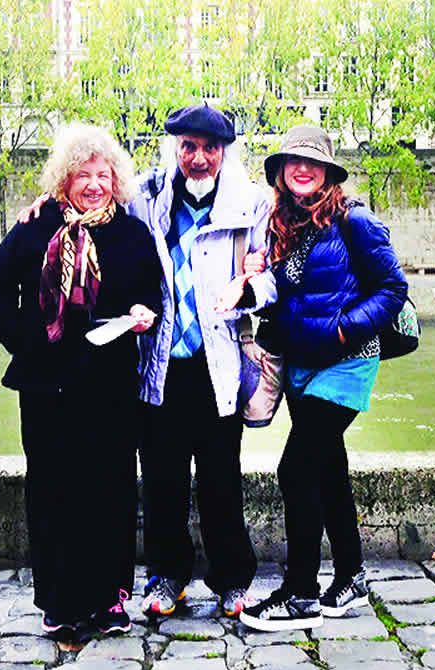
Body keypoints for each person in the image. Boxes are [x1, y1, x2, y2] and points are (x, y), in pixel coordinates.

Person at [19, 102, 275, 619]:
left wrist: (247, 289)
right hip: (160, 361)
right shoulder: (150, 198)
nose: (198, 158)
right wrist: (46, 199)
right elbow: (94, 195)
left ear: (223, 152)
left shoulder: (251, 205)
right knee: (162, 479)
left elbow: (270, 279)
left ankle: (231, 579)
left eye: (208, 148)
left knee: (223, 477)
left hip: (217, 361)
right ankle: (167, 575)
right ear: (175, 149)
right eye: (188, 147)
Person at [0, 123, 161, 642]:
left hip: (109, 386)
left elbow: (153, 292)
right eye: (84, 175)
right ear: (65, 180)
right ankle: (61, 603)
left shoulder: (130, 233)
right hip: (47, 387)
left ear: (115, 180)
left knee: (111, 493)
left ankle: (107, 601)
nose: (95, 184)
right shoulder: (37, 228)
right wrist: (27, 339)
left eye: (103, 175)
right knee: (54, 495)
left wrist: (144, 314)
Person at [219, 126, 407, 631]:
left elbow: (393, 287)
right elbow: (285, 293)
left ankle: (300, 593)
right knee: (327, 470)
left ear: (328, 172)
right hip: (302, 363)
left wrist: (347, 329)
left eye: (313, 162)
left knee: (295, 469)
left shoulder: (355, 220)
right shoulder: (281, 224)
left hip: (346, 361)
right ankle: (351, 575)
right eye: (292, 162)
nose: (303, 170)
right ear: (280, 171)